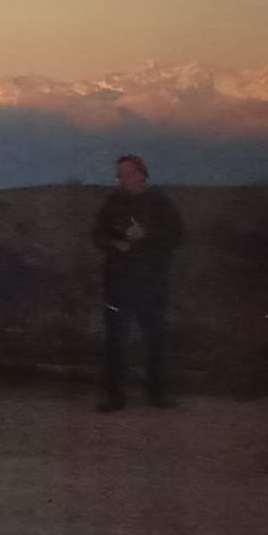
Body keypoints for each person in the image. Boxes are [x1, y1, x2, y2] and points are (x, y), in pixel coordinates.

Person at [92, 154, 186, 411]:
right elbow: (97, 234)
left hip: (151, 282)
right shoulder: (113, 202)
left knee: (155, 339)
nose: (122, 179)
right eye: (119, 175)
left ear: (141, 174)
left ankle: (158, 394)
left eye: (127, 173)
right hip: (118, 282)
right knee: (115, 340)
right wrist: (116, 245)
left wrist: (146, 235)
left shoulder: (159, 202)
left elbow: (178, 235)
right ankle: (115, 397)